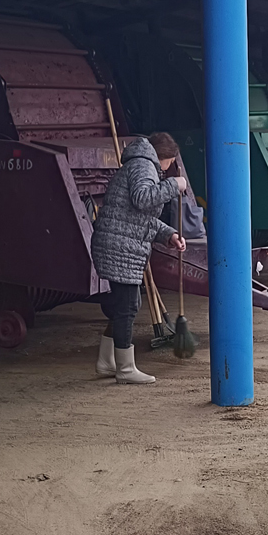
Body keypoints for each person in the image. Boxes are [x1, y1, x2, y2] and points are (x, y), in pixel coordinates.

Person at [91, 130, 187, 385]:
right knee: (128, 306)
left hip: (119, 243)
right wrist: (173, 185)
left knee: (124, 305)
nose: (167, 170)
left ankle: (107, 361)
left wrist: (168, 234)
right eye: (169, 164)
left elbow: (139, 217)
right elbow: (143, 199)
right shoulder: (144, 166)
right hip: (120, 247)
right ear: (165, 157)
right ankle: (125, 368)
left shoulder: (139, 164)